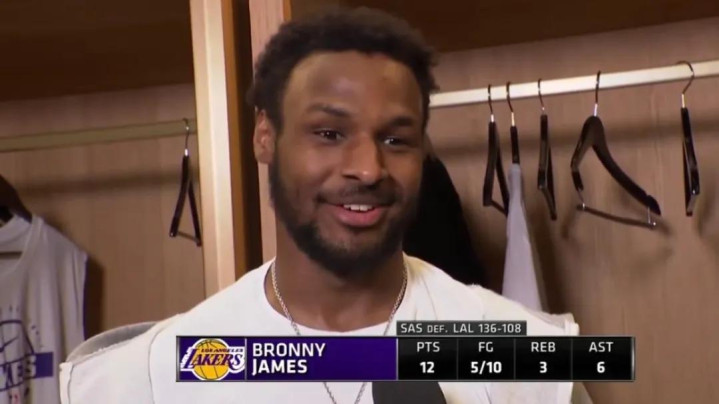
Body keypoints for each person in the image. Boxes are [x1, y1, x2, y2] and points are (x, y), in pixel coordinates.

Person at [59, 7, 579, 404]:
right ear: (265, 135)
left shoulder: (528, 361)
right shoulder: (142, 380)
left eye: (396, 140)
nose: (368, 169)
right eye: (329, 133)